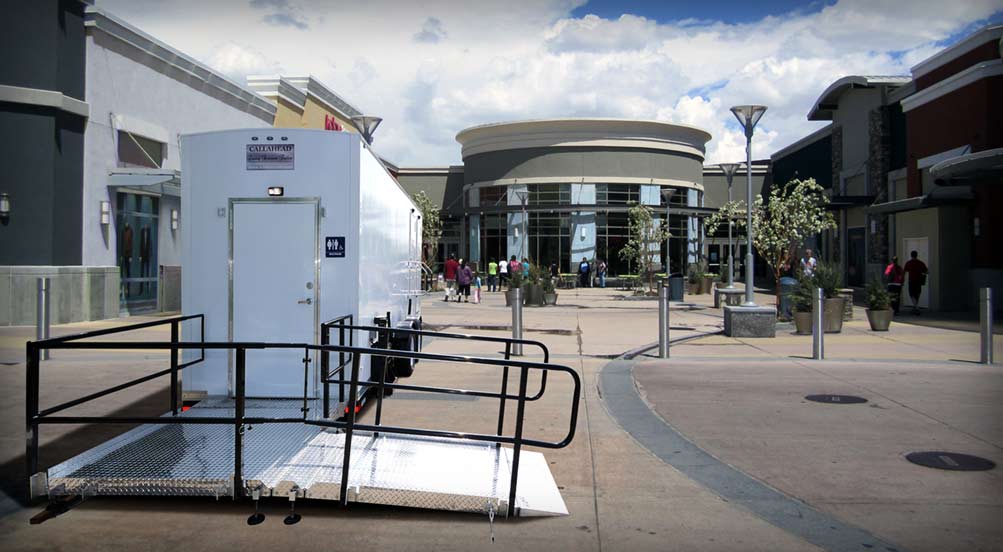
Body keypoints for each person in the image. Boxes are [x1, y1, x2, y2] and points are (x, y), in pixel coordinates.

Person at [903, 250, 928, 314]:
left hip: (911, 280)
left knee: (912, 294)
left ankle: (916, 307)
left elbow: (904, 271)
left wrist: (902, 280)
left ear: (911, 255)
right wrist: (923, 275)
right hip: (918, 281)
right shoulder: (920, 263)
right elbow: (926, 271)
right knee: (917, 293)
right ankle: (915, 307)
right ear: (917, 255)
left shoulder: (908, 263)